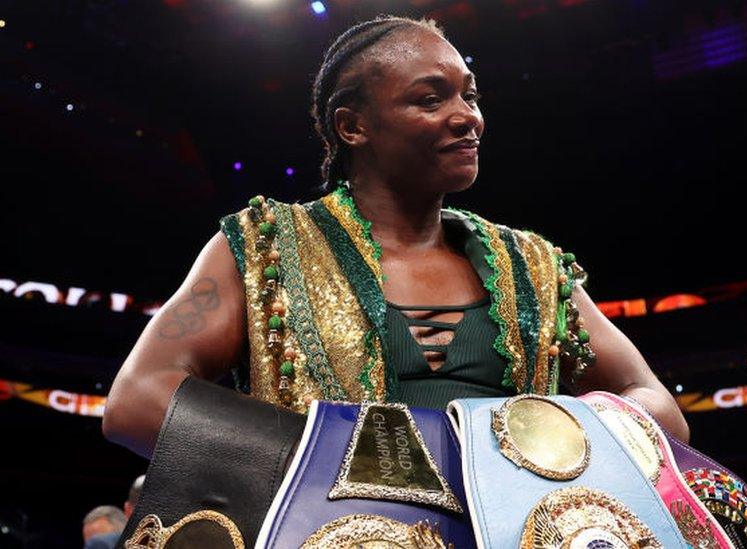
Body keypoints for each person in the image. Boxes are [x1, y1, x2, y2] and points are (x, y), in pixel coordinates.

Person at [102, 15, 688, 460]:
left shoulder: (530, 264)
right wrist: (326, 462)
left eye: (470, 95)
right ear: (352, 126)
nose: (467, 116)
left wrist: (558, 441)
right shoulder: (266, 248)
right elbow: (137, 399)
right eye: (430, 99)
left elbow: (656, 403)